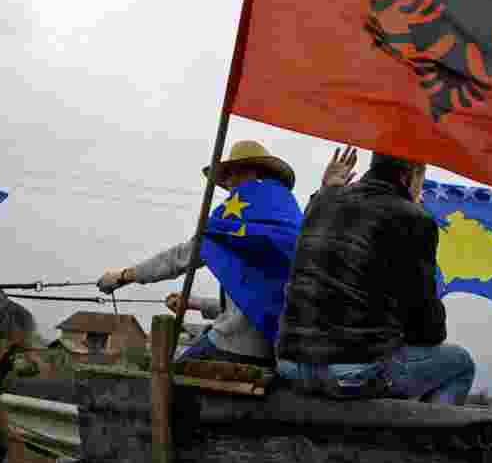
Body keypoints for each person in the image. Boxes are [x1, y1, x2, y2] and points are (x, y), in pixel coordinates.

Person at [98, 141, 357, 366]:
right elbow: (251, 297)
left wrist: (125, 275)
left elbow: (180, 257)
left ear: (249, 172)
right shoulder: (290, 218)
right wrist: (193, 303)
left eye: (230, 176)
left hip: (236, 345)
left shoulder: (232, 221)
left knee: (169, 380)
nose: (228, 185)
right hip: (280, 349)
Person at [276, 152, 475, 404]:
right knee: (460, 363)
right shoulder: (414, 218)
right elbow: (426, 323)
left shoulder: (321, 200)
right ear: (411, 175)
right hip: (351, 374)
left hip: (291, 366)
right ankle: (423, 441)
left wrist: (328, 188)